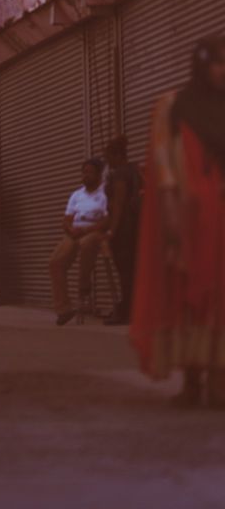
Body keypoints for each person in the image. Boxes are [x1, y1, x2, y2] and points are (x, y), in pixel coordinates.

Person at [131, 35, 225, 408]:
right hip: (188, 218)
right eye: (217, 63)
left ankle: (219, 382)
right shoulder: (173, 106)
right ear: (202, 65)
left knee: (220, 297)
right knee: (188, 294)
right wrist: (170, 216)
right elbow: (164, 163)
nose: (223, 71)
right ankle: (191, 381)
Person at [49, 159, 109, 326]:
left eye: (90, 172)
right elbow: (66, 219)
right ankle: (64, 309)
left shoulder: (104, 193)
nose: (86, 175)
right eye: (84, 172)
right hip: (75, 232)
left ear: (98, 174)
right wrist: (70, 229)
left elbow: (106, 220)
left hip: (93, 232)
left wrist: (86, 230)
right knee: (55, 262)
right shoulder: (77, 194)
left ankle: (84, 284)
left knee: (86, 244)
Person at [103, 136, 142, 325]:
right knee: (133, 270)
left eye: (109, 156)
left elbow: (118, 203)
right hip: (136, 226)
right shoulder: (135, 170)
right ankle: (134, 309)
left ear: (117, 155)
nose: (107, 161)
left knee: (125, 271)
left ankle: (126, 311)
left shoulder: (120, 174)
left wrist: (112, 230)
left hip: (124, 228)